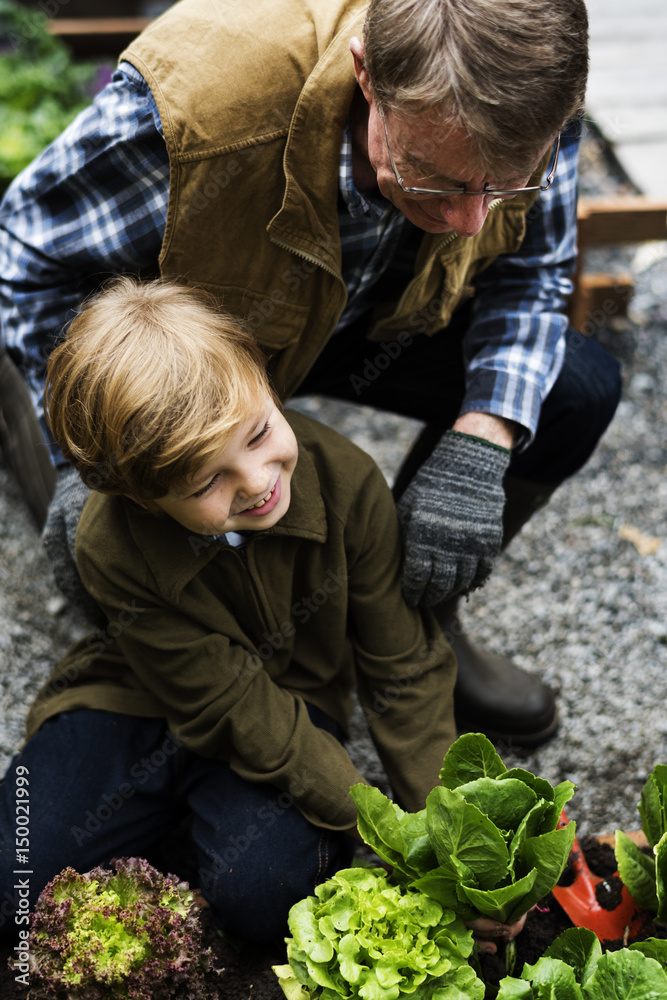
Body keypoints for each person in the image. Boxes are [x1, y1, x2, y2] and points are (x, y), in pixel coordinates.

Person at [0, 0, 622, 747]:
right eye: (435, 180)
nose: (470, 221)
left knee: (574, 389)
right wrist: (76, 458)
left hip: (373, 315)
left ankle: (411, 627)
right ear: (367, 75)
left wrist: (479, 444)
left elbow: (531, 275)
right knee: (120, 558)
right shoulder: (200, 104)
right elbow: (29, 257)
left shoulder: (535, 94)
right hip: (205, 337)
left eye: (503, 187)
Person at [0, 276, 459, 942]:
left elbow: (404, 671)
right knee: (11, 882)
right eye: (207, 481)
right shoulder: (106, 538)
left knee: (264, 898)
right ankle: (170, 821)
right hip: (141, 694)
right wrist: (383, 829)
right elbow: (228, 701)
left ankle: (176, 833)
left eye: (259, 433)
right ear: (139, 496)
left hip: (293, 702)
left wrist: (441, 835)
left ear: (265, 381)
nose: (257, 482)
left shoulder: (347, 480)